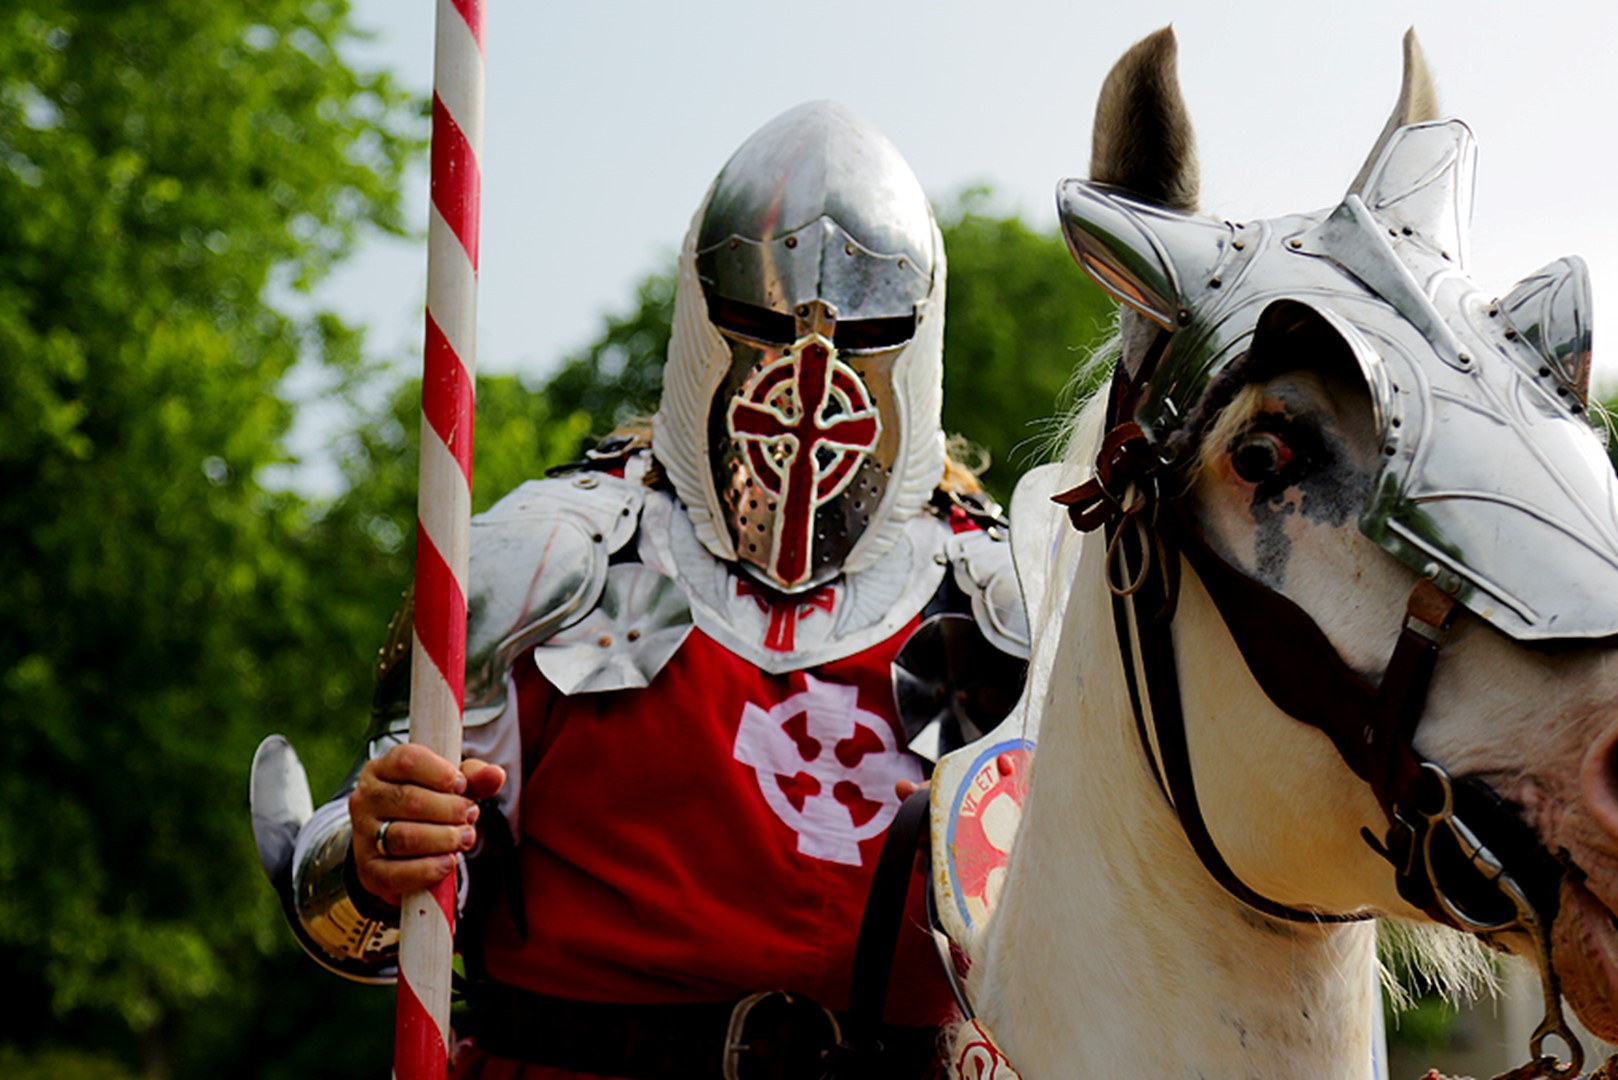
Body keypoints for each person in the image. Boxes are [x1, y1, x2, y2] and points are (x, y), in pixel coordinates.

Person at [248, 100, 1031, 1079]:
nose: (809, 376)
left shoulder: (1009, 607)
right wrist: (376, 852)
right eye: (759, 322)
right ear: (703, 318)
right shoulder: (544, 561)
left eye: (867, 332)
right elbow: (374, 924)